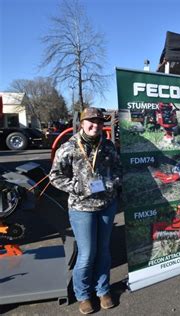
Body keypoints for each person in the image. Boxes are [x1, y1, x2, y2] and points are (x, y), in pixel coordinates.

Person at [50, 107, 121, 314]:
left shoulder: (107, 145)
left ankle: (103, 290)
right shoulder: (69, 147)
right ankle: (83, 294)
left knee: (104, 251)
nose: (95, 125)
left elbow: (118, 169)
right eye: (91, 121)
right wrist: (77, 187)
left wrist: (111, 183)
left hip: (107, 206)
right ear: (82, 123)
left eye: (99, 122)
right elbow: (54, 176)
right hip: (82, 208)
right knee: (87, 253)